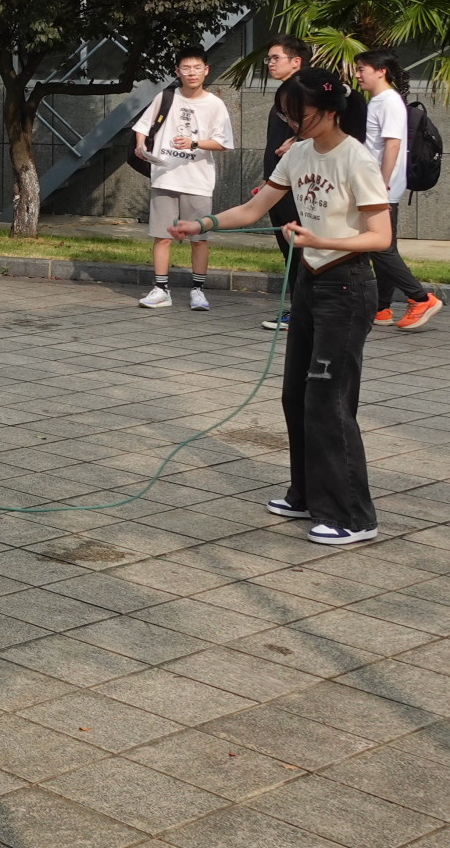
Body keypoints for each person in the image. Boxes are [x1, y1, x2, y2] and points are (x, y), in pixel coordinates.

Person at [170, 68, 391, 546]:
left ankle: (353, 516)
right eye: (287, 117)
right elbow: (253, 209)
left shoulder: (356, 158)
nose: (293, 125)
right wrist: (202, 224)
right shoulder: (299, 154)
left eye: (300, 116)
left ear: (329, 111)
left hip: (347, 287)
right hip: (310, 281)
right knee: (296, 394)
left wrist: (320, 240)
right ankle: (307, 494)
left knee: (329, 400)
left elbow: (380, 236)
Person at [132, 45, 233, 310]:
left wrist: (194, 142)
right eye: (186, 68)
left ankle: (198, 290)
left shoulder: (215, 105)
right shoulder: (166, 97)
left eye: (197, 68)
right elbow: (143, 126)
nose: (191, 73)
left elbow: (223, 143)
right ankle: (160, 289)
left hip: (197, 181)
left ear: (206, 70)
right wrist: (140, 145)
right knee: (162, 236)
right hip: (164, 177)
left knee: (199, 239)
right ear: (177, 71)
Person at [357, 49, 441, 332]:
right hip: (379, 185)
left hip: (382, 187)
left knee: (377, 246)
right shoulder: (379, 100)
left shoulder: (389, 101)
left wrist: (381, 182)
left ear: (381, 71)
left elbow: (392, 144)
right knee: (384, 246)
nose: (357, 75)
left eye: (362, 69)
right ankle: (381, 308)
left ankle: (421, 298)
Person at [260, 36, 309, 332]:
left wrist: (299, 139)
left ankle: (303, 312)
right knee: (289, 251)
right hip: (277, 186)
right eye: (268, 58)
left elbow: (330, 128)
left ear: (296, 61)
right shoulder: (285, 93)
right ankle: (300, 308)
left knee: (298, 251)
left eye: (275, 57)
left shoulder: (306, 93)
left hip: (297, 188)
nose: (270, 63)